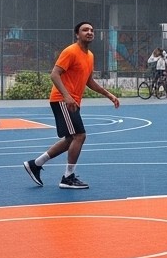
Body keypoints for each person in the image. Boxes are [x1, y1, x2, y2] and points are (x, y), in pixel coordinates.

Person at [23, 21, 120, 189]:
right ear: (77, 34)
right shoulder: (70, 51)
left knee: (70, 139)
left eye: (91, 30)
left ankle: (35, 164)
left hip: (71, 101)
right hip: (63, 100)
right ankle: (67, 177)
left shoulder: (89, 56)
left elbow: (89, 81)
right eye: (85, 30)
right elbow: (54, 74)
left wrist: (109, 95)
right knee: (80, 136)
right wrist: (67, 96)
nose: (89, 32)